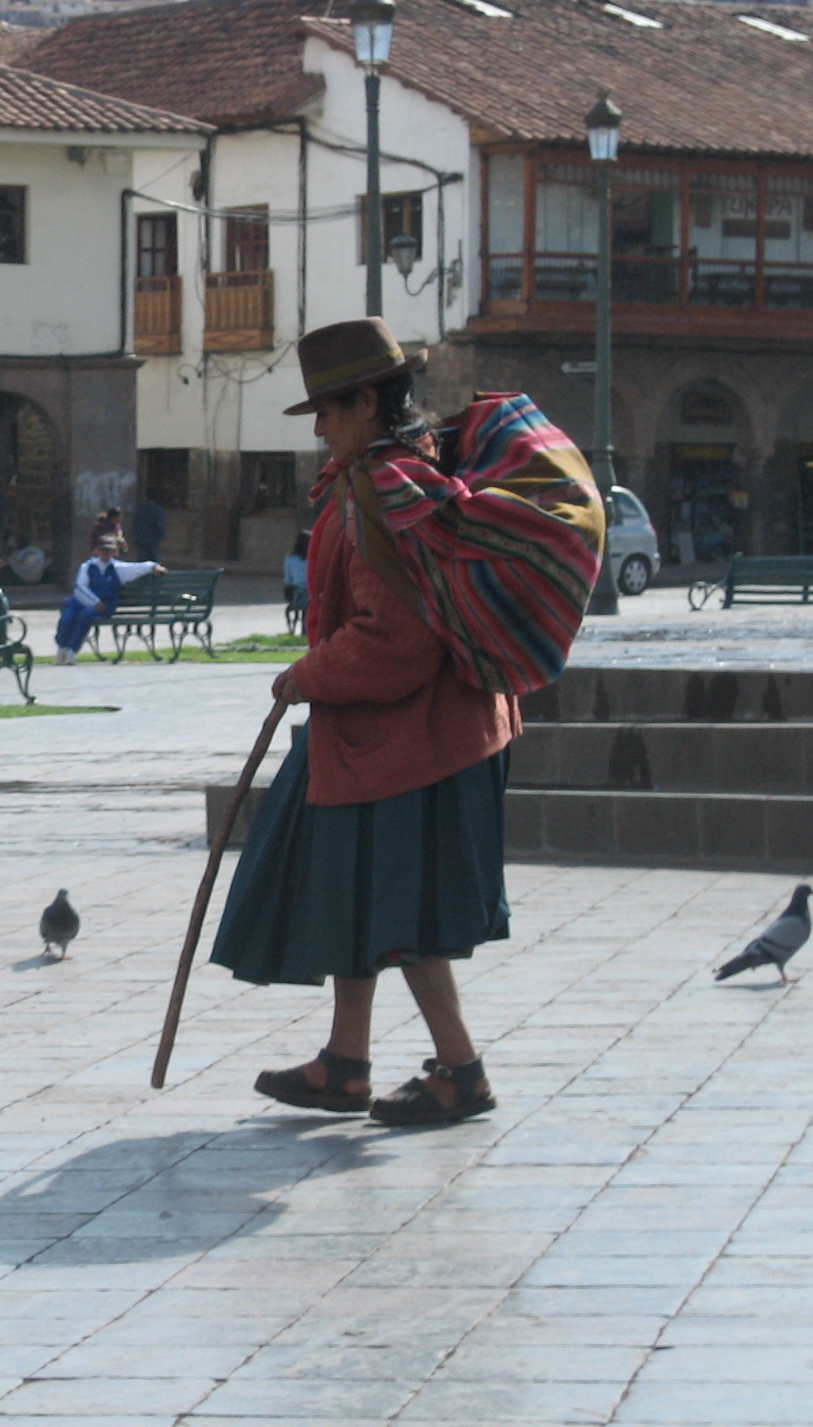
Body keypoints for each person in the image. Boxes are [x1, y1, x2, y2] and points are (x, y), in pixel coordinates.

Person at [211, 316, 519, 1128]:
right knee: (362, 898)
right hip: (389, 737)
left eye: (328, 410)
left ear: (370, 405)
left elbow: (397, 639)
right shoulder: (387, 477)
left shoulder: (391, 492)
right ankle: (345, 1063)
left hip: (417, 741)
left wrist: (305, 675)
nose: (320, 427)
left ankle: (462, 1070)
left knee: (402, 912)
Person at [54, 534, 163, 664]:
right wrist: (95, 603)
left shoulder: (118, 568)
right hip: (80, 601)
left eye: (109, 550)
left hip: (104, 606)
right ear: (96, 550)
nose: (106, 553)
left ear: (114, 552)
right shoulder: (87, 566)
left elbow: (138, 568)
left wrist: (153, 567)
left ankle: (72, 651)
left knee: (85, 616)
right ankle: (62, 648)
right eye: (103, 550)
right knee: (68, 617)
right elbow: (80, 587)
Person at [132, 497, 167, 566]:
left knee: (142, 560)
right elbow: (160, 525)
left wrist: (136, 535)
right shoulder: (157, 509)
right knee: (155, 560)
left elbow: (135, 524)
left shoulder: (140, 509)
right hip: (154, 539)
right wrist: (161, 537)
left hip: (141, 538)